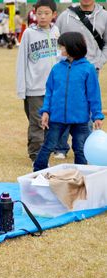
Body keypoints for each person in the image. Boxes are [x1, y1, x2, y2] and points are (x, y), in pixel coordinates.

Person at [33, 32, 104, 171]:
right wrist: (46, 111)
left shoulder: (88, 69)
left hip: (81, 120)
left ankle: (81, 177)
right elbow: (50, 92)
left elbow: (94, 95)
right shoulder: (56, 69)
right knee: (48, 146)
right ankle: (37, 173)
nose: (60, 49)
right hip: (57, 118)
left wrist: (97, 116)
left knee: (81, 149)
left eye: (62, 46)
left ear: (72, 47)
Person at [53, 0, 107, 159]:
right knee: (63, 103)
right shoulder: (65, 16)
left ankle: (84, 146)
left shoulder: (104, 16)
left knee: (86, 107)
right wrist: (60, 61)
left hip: (90, 69)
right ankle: (60, 147)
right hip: (66, 69)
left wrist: (99, 61)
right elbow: (56, 39)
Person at [16, 0, 60, 163]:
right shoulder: (28, 33)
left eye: (46, 13)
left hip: (54, 89)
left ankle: (47, 150)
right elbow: (21, 61)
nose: (42, 17)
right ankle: (36, 154)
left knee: (53, 121)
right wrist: (22, 89)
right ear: (34, 13)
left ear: (54, 15)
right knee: (37, 122)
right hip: (34, 88)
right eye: (39, 13)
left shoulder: (57, 32)